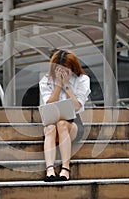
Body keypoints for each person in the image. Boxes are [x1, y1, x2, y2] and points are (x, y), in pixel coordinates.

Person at [39, 49, 91, 182]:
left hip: (73, 124)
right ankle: (50, 170)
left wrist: (66, 85)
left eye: (65, 69)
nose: (61, 72)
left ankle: (65, 169)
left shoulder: (82, 79)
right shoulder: (46, 80)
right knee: (50, 127)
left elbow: (77, 106)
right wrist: (58, 85)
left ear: (72, 68)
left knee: (62, 124)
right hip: (52, 123)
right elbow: (49, 103)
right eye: (58, 69)